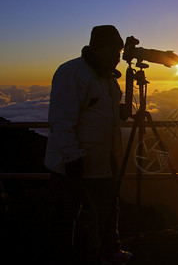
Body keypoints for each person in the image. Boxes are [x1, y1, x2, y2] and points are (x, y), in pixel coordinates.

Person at [45, 25, 132, 264]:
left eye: (120, 50)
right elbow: (61, 121)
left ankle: (111, 252)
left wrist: (122, 111)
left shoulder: (106, 78)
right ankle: (61, 258)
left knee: (108, 210)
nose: (118, 56)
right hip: (71, 164)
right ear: (99, 49)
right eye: (115, 50)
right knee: (64, 216)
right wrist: (72, 157)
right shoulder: (72, 73)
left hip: (102, 162)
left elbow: (102, 113)